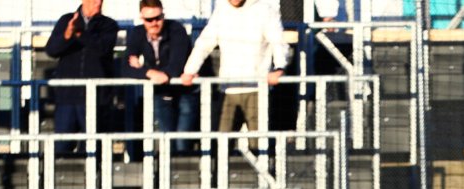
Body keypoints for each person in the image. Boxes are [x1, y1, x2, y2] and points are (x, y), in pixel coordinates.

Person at [181, 0, 289, 134]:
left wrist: (279, 68)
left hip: (257, 89)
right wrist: (190, 71)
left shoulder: (264, 10)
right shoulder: (221, 12)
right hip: (228, 89)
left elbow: (278, 42)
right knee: (222, 143)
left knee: (259, 144)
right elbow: (203, 44)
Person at [44, 0, 119, 154]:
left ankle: (95, 177)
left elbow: (102, 49)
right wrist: (67, 34)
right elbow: (51, 50)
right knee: (61, 147)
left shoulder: (108, 25)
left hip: (96, 99)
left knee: (93, 148)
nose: (98, 2)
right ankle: (59, 176)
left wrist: (80, 34)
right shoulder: (66, 20)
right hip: (67, 97)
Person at [124, 0, 196, 153]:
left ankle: (183, 175)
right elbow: (125, 67)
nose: (154, 23)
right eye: (149, 20)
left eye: (158, 17)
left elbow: (177, 64)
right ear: (142, 18)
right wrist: (148, 72)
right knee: (166, 141)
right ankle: (167, 176)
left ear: (163, 15)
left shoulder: (176, 29)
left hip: (185, 91)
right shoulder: (137, 33)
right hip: (161, 92)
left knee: (183, 142)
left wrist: (154, 72)